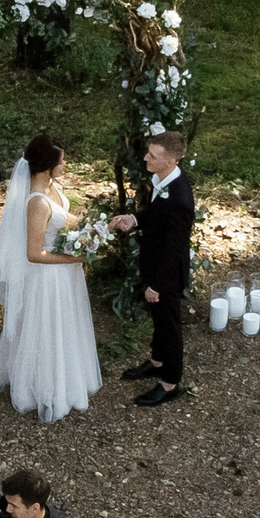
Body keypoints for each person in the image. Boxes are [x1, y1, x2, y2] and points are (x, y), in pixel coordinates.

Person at [0, 133, 105, 423]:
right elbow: (33, 253)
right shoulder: (36, 203)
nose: (65, 165)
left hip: (64, 272)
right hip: (48, 278)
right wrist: (75, 257)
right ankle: (45, 388)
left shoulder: (51, 186)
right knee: (49, 329)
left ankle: (68, 376)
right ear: (46, 167)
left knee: (66, 326)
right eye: (61, 161)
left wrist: (91, 231)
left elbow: (65, 218)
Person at [108, 131, 196, 407]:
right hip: (154, 263)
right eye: (148, 152)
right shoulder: (162, 179)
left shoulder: (180, 198)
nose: (145, 157)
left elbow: (174, 249)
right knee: (158, 319)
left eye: (153, 156)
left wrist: (157, 285)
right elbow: (157, 217)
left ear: (170, 160)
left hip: (166, 274)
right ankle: (157, 361)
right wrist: (134, 219)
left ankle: (169, 382)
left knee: (169, 326)